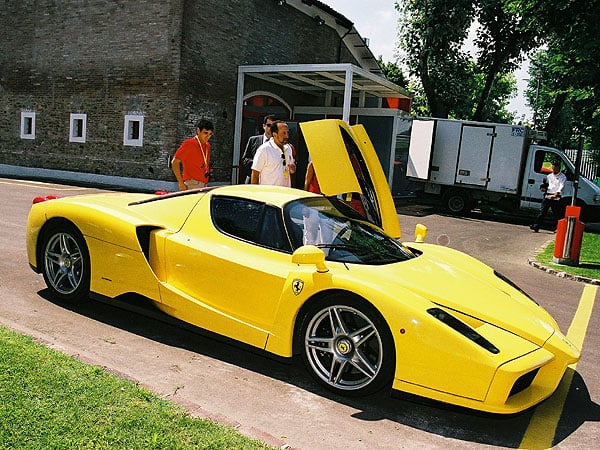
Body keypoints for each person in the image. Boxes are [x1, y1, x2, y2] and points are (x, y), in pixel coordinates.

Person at [171, 119, 214, 191]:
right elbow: (174, 162)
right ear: (198, 131)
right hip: (192, 183)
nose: (208, 136)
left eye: (210, 134)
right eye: (205, 133)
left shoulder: (207, 146)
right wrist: (181, 183)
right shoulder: (189, 144)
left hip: (204, 184)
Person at [251, 120, 296, 187]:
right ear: (275, 134)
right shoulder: (264, 149)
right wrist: (255, 194)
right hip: (268, 195)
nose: (287, 136)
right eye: (283, 133)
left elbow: (292, 169)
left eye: (287, 132)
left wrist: (293, 169)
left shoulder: (288, 148)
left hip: (285, 194)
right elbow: (255, 174)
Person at [530, 161, 567, 232]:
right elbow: (546, 184)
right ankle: (536, 226)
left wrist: (557, 193)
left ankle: (558, 228)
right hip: (548, 195)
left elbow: (561, 185)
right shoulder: (549, 176)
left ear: (559, 168)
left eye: (555, 169)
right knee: (542, 212)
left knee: (557, 214)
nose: (554, 170)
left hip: (556, 196)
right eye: (553, 169)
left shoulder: (563, 177)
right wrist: (543, 188)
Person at [241, 115, 274, 183]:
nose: (271, 128)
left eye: (273, 126)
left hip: (270, 181)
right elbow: (245, 160)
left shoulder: (277, 144)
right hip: (253, 178)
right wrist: (258, 163)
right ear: (264, 126)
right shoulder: (253, 140)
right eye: (269, 125)